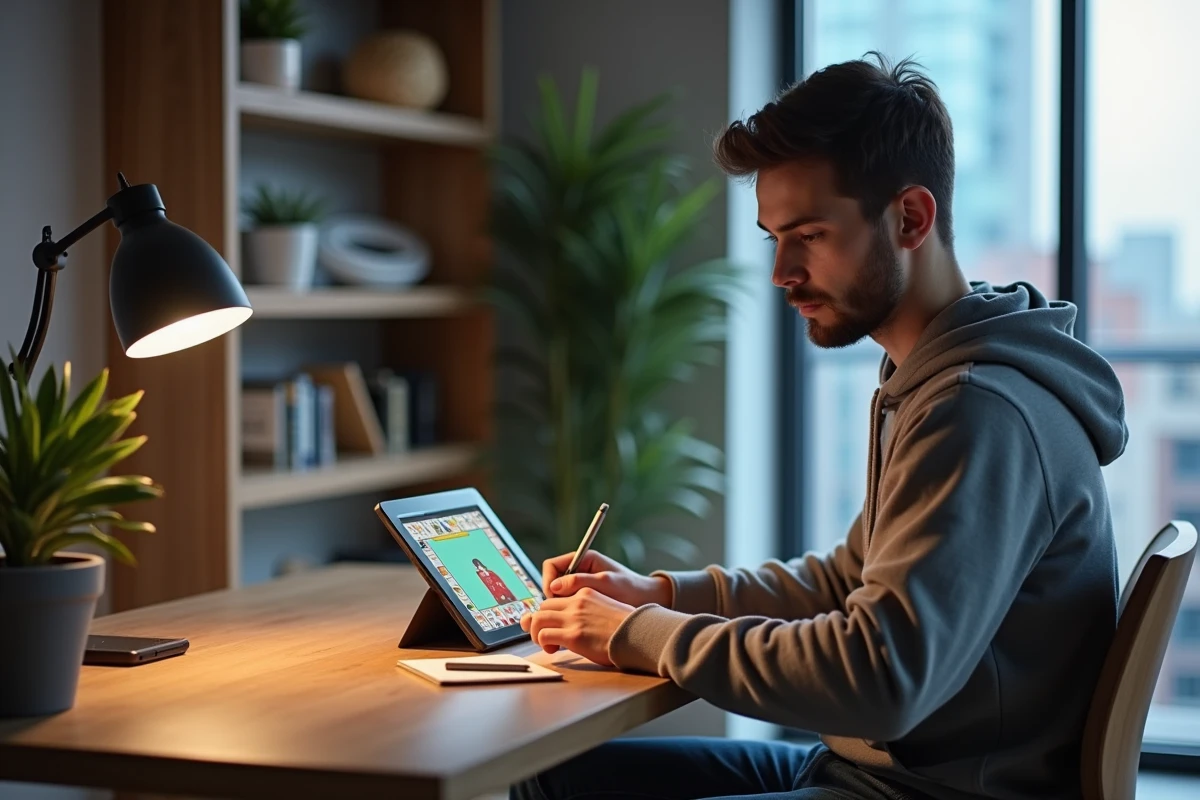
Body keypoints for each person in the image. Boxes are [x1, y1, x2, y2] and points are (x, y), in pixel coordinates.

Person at [513, 53, 1127, 800]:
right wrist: (659, 594)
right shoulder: (932, 377)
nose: (782, 272)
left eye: (809, 234)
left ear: (911, 218)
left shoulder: (977, 410)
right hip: (875, 772)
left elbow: (882, 678)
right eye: (774, 237)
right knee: (557, 781)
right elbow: (846, 581)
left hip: (926, 794)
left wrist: (634, 632)